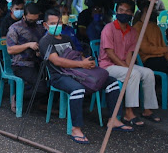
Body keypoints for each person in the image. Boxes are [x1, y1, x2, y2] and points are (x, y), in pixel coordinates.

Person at [40, 8, 132, 142]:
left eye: (59, 23)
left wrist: (86, 62)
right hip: (59, 75)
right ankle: (75, 129)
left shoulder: (66, 38)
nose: (57, 26)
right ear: (45, 25)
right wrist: (81, 65)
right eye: (53, 23)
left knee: (111, 81)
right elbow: (57, 61)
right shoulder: (45, 41)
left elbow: (77, 55)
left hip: (76, 71)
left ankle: (114, 119)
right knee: (77, 89)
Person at [99, 0, 161, 126]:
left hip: (122, 64)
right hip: (108, 66)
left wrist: (128, 66)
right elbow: (110, 53)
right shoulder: (108, 28)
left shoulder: (132, 31)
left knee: (148, 73)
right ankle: (128, 112)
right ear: (116, 11)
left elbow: (129, 54)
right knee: (133, 74)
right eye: (121, 10)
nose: (124, 13)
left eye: (127, 11)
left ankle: (147, 110)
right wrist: (127, 68)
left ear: (132, 14)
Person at [133, 0, 168, 103]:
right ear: (145, 10)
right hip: (148, 59)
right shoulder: (137, 27)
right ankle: (164, 92)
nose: (156, 12)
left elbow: (164, 45)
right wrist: (165, 50)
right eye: (153, 9)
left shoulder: (155, 27)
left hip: (161, 57)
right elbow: (146, 49)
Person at [6, 3, 48, 113]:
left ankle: (40, 103)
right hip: (21, 64)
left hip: (38, 62)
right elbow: (10, 49)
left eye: (35, 19)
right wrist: (28, 45)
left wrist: (39, 50)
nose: (33, 22)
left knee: (53, 81)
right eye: (30, 20)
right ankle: (17, 97)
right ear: (24, 16)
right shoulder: (15, 28)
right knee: (41, 88)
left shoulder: (39, 28)